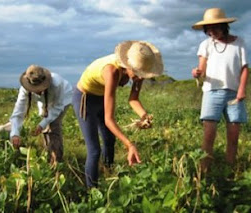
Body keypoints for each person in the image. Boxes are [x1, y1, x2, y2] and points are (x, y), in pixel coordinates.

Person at [72, 40, 164, 187]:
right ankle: (92, 192)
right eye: (138, 73)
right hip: (85, 99)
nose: (140, 78)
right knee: (94, 150)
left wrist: (144, 116)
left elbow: (133, 99)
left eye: (143, 74)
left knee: (109, 140)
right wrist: (129, 145)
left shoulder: (137, 72)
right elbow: (109, 120)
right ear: (128, 65)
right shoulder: (112, 71)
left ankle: (108, 174)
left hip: (101, 97)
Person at [191, 8, 249, 172]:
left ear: (224, 26)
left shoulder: (239, 43)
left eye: (215, 27)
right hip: (212, 92)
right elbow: (201, 69)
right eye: (208, 29)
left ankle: (230, 171)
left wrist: (241, 90)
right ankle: (204, 171)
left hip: (234, 93)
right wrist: (197, 73)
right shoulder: (206, 45)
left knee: (233, 135)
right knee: (209, 134)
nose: (211, 32)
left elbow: (245, 68)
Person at [10, 65, 73, 165]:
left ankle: (57, 160)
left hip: (63, 98)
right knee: (45, 128)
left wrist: (42, 124)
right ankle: (48, 154)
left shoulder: (57, 84)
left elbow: (57, 107)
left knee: (53, 125)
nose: (38, 91)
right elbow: (18, 111)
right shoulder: (24, 89)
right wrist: (15, 134)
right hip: (45, 102)